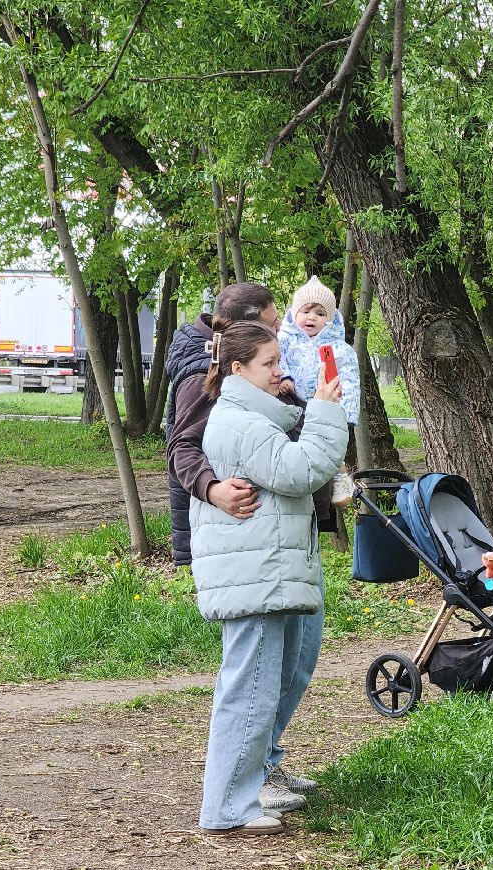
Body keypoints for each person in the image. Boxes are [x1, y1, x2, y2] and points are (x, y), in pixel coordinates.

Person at [189, 320, 347, 835]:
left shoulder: (251, 418)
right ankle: (227, 809)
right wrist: (326, 409)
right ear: (238, 370)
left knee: (263, 684)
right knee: (249, 690)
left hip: (264, 571)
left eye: (279, 362)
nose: (280, 373)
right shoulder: (241, 424)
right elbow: (303, 471)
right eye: (270, 365)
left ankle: (244, 793)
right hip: (254, 575)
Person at [166, 283, 283, 567]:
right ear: (243, 330)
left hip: (253, 531)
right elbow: (182, 447)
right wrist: (213, 489)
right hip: (228, 532)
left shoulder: (245, 359)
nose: (280, 327)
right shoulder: (201, 373)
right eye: (272, 323)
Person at [278, 276, 361, 506]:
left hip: (325, 403)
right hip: (292, 401)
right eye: (305, 311)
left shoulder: (338, 349)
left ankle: (340, 478)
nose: (311, 317)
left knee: (330, 442)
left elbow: (350, 380)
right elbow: (276, 358)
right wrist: (284, 375)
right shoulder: (284, 339)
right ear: (294, 314)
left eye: (320, 313)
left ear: (330, 319)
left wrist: (347, 412)